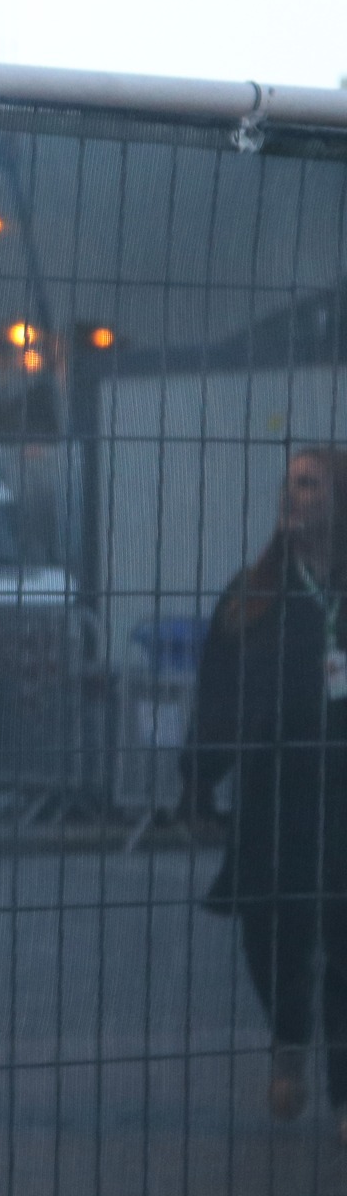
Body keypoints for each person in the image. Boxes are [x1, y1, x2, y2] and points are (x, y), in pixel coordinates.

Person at [181, 447, 347, 1140]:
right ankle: (288, 1034)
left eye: (309, 484)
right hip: (271, 787)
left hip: (341, 789)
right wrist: (198, 778)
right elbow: (217, 692)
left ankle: (342, 1089)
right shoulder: (252, 592)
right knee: (268, 929)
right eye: (289, 483)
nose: (292, 495)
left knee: (340, 932)